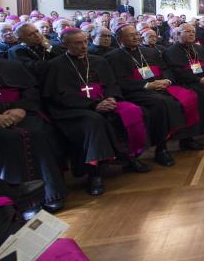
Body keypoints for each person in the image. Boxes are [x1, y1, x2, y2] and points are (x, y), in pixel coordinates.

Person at [43, 29, 151, 196]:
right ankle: (94, 173)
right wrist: (93, 105)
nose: (84, 46)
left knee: (133, 111)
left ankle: (131, 158)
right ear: (65, 44)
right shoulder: (56, 65)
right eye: (78, 43)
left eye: (85, 41)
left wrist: (112, 98)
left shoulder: (99, 61)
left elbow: (112, 84)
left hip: (103, 101)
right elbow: (61, 95)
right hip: (73, 109)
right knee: (94, 121)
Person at [0, 31, 67, 211]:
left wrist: (21, 108)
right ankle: (12, 202)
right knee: (8, 139)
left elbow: (31, 90)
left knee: (39, 132)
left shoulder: (10, 65)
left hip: (21, 112)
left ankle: (50, 193)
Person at [106, 25, 202, 166]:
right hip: (136, 92)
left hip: (159, 87)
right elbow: (118, 81)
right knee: (162, 104)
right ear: (120, 38)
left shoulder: (149, 52)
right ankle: (161, 149)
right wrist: (146, 85)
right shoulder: (112, 57)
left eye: (137, 34)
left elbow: (166, 69)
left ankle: (186, 138)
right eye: (130, 35)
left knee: (188, 97)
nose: (136, 37)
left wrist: (167, 80)